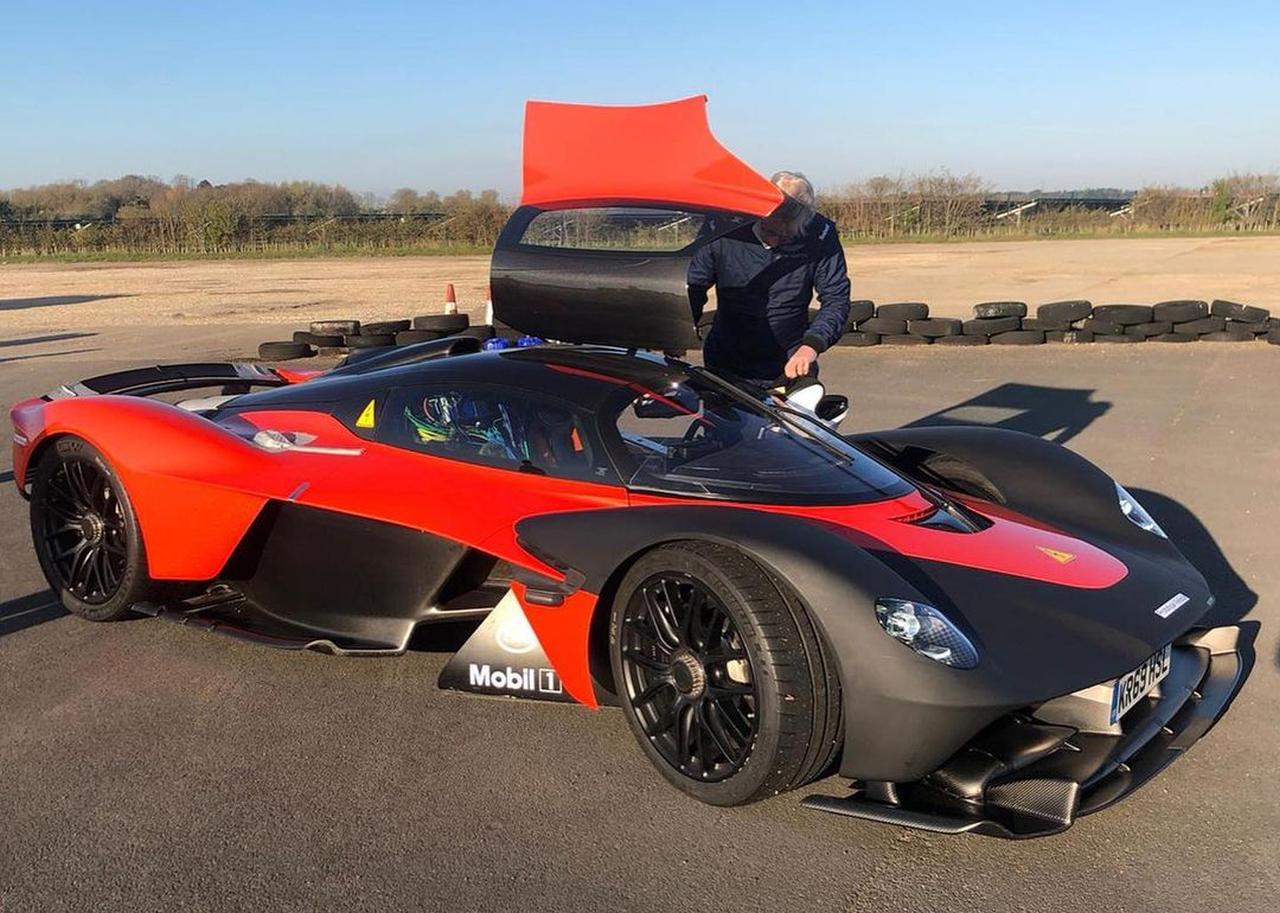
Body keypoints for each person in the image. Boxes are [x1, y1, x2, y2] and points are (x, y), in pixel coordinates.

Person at [687, 171, 852, 384]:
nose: (775, 241)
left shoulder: (821, 234)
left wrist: (812, 346)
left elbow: (836, 297)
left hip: (791, 359)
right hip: (727, 358)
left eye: (786, 237)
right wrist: (677, 332)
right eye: (769, 232)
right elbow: (694, 286)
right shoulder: (724, 227)